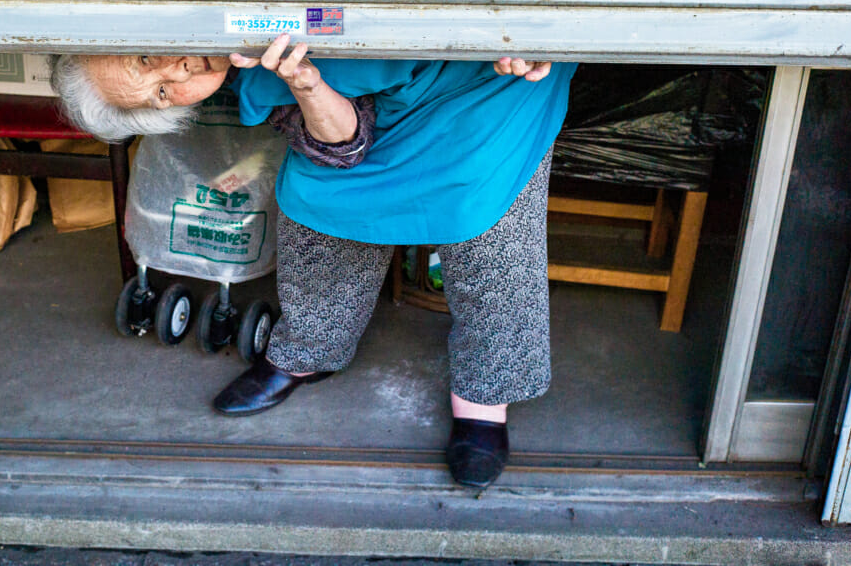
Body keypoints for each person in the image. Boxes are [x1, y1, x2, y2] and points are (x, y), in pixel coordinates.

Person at [53, 38, 575, 488]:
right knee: (313, 198)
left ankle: (486, 395)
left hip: (476, 86)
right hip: (372, 110)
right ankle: (310, 347)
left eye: (147, 57)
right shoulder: (237, 77)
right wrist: (304, 84)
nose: (178, 70)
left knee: (482, 218)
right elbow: (344, 146)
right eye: (162, 91)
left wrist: (508, 30)